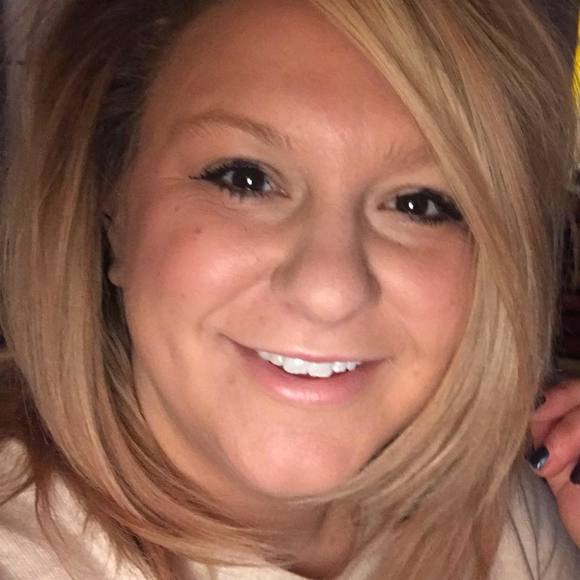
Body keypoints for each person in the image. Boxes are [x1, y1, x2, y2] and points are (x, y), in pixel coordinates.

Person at [0, 0, 579, 579]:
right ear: (115, 212)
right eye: (246, 179)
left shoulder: (515, 517)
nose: (330, 291)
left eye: (419, 205)